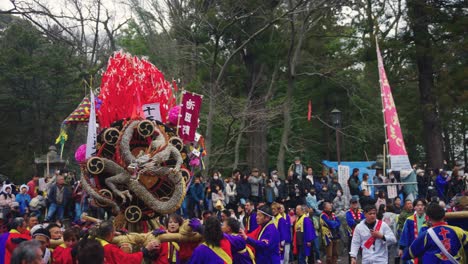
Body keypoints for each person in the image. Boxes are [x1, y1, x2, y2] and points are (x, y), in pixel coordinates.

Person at [402, 202, 468, 263]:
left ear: (427, 218)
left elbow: (410, 253)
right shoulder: (458, 231)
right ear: (444, 216)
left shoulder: (426, 235)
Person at [398, 198, 428, 263]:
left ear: (424, 207)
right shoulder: (409, 220)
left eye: (422, 205)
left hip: (426, 249)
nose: (420, 207)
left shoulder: (429, 219)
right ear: (414, 207)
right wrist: (401, 248)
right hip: (413, 248)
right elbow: (404, 234)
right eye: (417, 205)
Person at [345, 197, 365, 264]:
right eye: (353, 203)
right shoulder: (348, 213)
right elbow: (350, 222)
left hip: (362, 235)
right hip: (352, 235)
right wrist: (359, 221)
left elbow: (365, 220)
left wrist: (356, 221)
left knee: (364, 252)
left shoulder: (361, 211)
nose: (355, 204)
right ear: (350, 204)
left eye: (356, 203)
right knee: (351, 253)